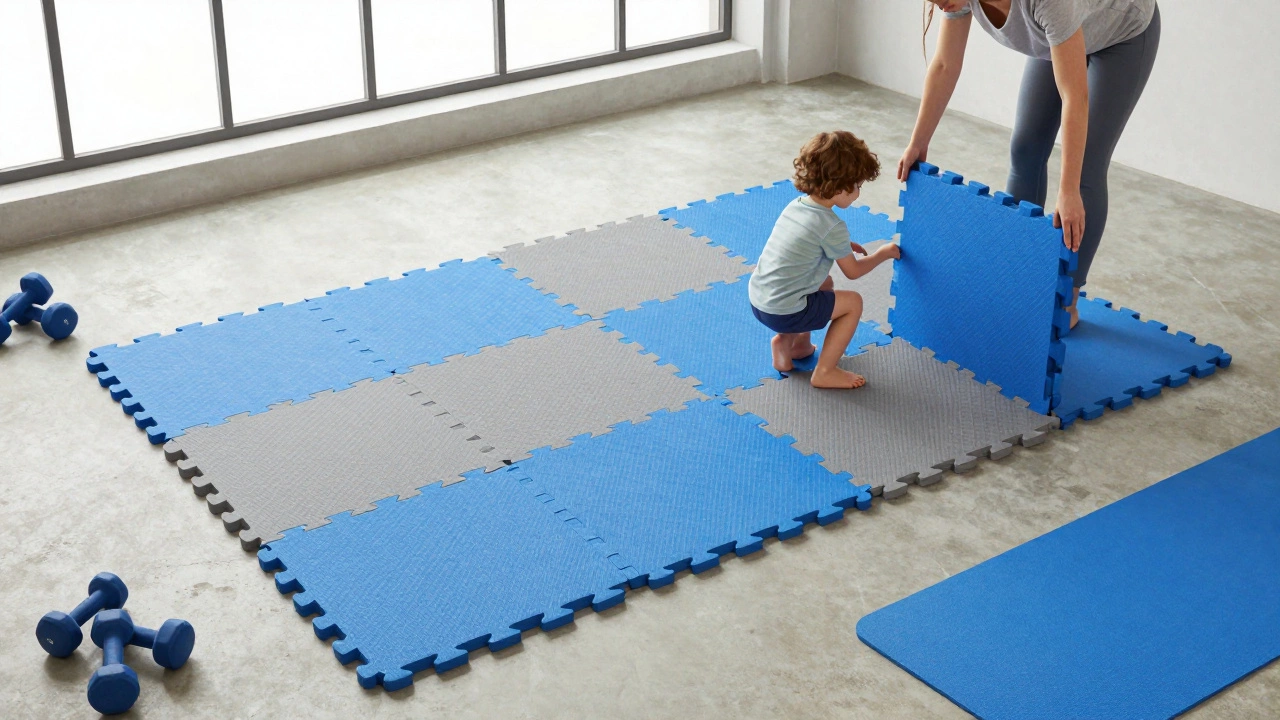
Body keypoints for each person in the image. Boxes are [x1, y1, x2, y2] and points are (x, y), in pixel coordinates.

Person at [900, 0, 1160, 326]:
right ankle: (1019, 278)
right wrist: (918, 141)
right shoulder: (956, 0)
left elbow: (1074, 96)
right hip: (1062, 29)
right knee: (1026, 149)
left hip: (1122, 32)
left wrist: (1068, 190)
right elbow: (944, 65)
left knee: (1084, 170)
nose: (939, 4)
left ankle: (1066, 301)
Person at [749, 131, 901, 389]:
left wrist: (842, 246)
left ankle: (792, 345)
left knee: (825, 283)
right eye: (857, 186)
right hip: (785, 312)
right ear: (839, 186)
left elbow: (800, 244)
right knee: (853, 303)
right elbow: (853, 272)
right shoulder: (832, 225)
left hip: (760, 300)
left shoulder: (796, 205)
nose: (858, 192)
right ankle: (825, 371)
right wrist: (883, 254)